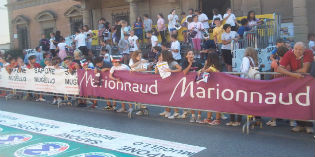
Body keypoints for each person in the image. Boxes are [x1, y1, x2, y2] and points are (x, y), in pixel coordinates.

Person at [277, 42, 314, 134]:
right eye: (296, 49)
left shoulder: (308, 52)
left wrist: (291, 73)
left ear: (304, 49)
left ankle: (309, 125)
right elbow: (279, 68)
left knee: (308, 102)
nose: (297, 51)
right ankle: (299, 124)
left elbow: (305, 69)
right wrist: (293, 74)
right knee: (297, 102)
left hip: (308, 82)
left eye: (300, 49)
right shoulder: (289, 53)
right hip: (296, 81)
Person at [156, 51, 182, 118]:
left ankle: (177, 113)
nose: (160, 57)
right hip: (165, 82)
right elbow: (156, 72)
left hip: (173, 82)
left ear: (165, 55)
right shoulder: (162, 63)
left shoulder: (173, 62)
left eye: (161, 55)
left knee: (172, 98)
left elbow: (180, 69)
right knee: (166, 97)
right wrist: (157, 64)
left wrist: (171, 71)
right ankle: (167, 111)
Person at [199, 52, 221, 125]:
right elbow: (202, 70)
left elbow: (218, 72)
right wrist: (202, 69)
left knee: (217, 103)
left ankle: (217, 120)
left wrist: (207, 69)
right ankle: (208, 118)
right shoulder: (209, 65)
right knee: (210, 103)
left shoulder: (215, 66)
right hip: (210, 85)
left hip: (217, 86)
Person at [181, 51, 203, 122]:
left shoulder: (198, 62)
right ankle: (193, 116)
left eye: (192, 54)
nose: (191, 55)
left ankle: (199, 116)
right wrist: (190, 63)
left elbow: (202, 70)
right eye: (189, 54)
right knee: (191, 100)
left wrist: (200, 71)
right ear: (186, 56)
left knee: (199, 100)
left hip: (198, 84)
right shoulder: (184, 62)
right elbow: (185, 72)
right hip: (189, 84)